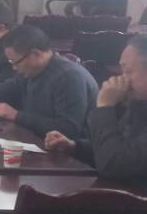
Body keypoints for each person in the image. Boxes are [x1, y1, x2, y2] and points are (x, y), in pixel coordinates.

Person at [0, 24, 98, 140]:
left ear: (35, 54)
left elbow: (69, 129)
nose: (14, 68)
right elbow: (1, 90)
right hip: (34, 140)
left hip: (69, 158)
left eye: (15, 62)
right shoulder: (32, 70)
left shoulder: (69, 77)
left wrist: (17, 116)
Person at [46, 35, 147, 185]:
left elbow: (113, 165)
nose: (123, 79)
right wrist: (75, 147)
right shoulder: (138, 103)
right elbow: (118, 149)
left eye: (128, 71)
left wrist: (105, 107)